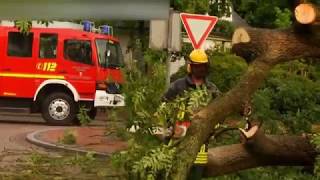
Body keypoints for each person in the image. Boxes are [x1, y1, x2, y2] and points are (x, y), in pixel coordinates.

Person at [162, 49, 221, 180]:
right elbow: (164, 107)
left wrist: (213, 129)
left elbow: (220, 112)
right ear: (191, 66)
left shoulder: (211, 89)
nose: (201, 69)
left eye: (203, 66)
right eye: (198, 66)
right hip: (177, 144)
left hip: (200, 146)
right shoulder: (178, 86)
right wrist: (171, 126)